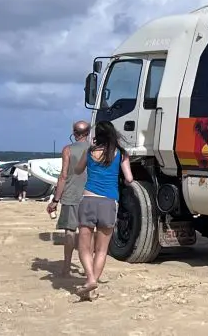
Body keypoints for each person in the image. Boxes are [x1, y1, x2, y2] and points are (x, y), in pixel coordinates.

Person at [72, 121, 134, 299]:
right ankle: (93, 286)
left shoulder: (90, 152)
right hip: (109, 202)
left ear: (97, 135)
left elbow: (77, 170)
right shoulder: (120, 153)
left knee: (84, 247)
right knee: (101, 249)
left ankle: (90, 279)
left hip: (88, 201)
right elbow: (129, 178)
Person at [47, 121, 91, 277]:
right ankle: (88, 268)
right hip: (91, 195)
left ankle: (66, 266)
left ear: (74, 132)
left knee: (70, 232)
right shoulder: (95, 149)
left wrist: (55, 200)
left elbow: (63, 176)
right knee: (88, 232)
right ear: (88, 133)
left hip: (71, 194)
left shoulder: (68, 150)